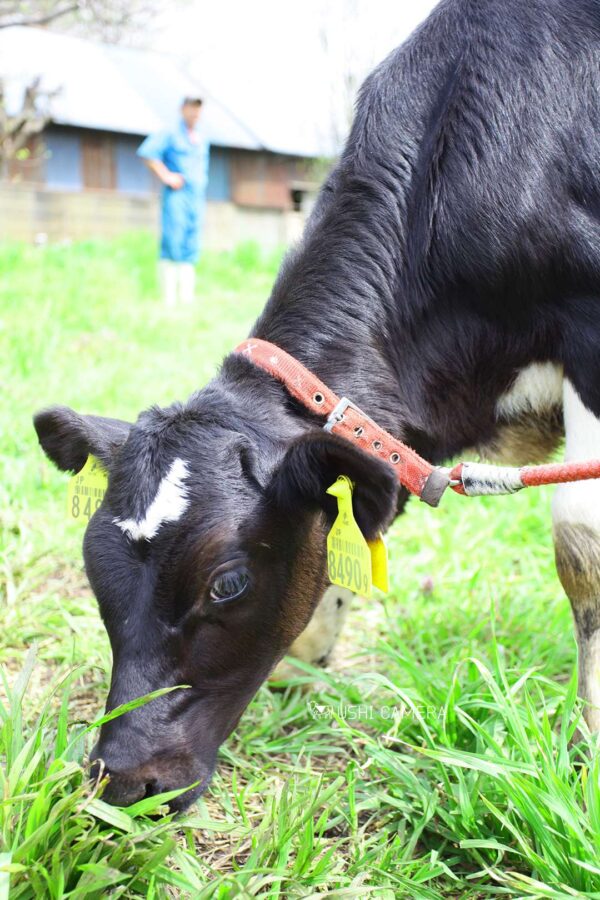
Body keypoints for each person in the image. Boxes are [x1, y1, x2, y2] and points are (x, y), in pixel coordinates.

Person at [137, 97, 210, 307]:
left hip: (196, 197)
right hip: (177, 195)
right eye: (192, 108)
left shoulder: (201, 138)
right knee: (173, 242)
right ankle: (168, 299)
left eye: (198, 109)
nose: (195, 112)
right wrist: (167, 175)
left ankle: (186, 299)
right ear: (183, 109)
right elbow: (148, 153)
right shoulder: (170, 132)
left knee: (191, 244)